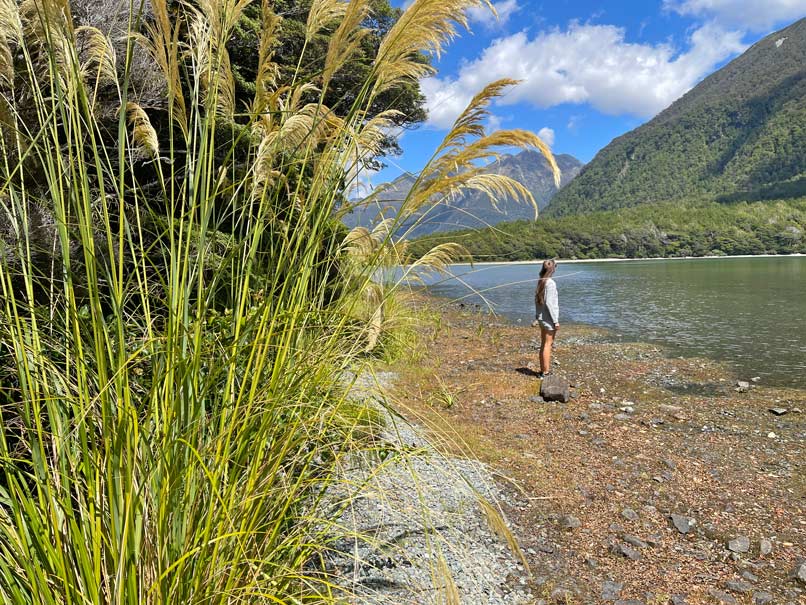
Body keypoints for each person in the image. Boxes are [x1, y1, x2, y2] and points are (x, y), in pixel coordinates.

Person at [532, 259, 559, 378]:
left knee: (544, 344)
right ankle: (545, 372)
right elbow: (549, 303)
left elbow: (537, 301)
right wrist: (556, 321)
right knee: (548, 344)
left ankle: (543, 370)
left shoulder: (541, 281)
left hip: (541, 317)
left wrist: (537, 315)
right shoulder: (550, 283)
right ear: (553, 269)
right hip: (548, 318)